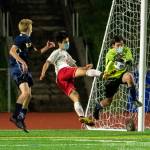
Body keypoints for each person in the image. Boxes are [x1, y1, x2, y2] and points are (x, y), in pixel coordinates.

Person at [40, 30, 102, 126]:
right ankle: (103, 75)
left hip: (61, 80)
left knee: (76, 96)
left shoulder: (67, 54)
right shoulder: (57, 52)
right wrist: (43, 73)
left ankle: (82, 117)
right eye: (65, 42)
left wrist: (85, 67)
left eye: (68, 42)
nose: (67, 44)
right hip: (63, 72)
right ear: (59, 43)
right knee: (85, 73)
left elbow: (75, 68)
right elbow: (47, 62)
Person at [9, 19, 55, 131]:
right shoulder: (20, 38)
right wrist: (22, 62)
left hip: (23, 68)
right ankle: (15, 116)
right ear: (28, 28)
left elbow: (35, 53)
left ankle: (21, 117)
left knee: (29, 95)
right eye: (31, 26)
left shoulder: (27, 39)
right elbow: (12, 51)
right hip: (18, 67)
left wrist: (47, 47)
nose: (32, 28)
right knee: (25, 93)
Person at [93, 35, 143, 120]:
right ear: (113, 45)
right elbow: (117, 59)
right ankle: (97, 107)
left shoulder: (126, 49)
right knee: (109, 101)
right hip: (111, 77)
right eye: (118, 45)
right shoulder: (110, 53)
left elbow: (129, 58)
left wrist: (129, 61)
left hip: (121, 75)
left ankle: (134, 100)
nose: (120, 47)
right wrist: (123, 60)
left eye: (122, 45)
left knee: (129, 76)